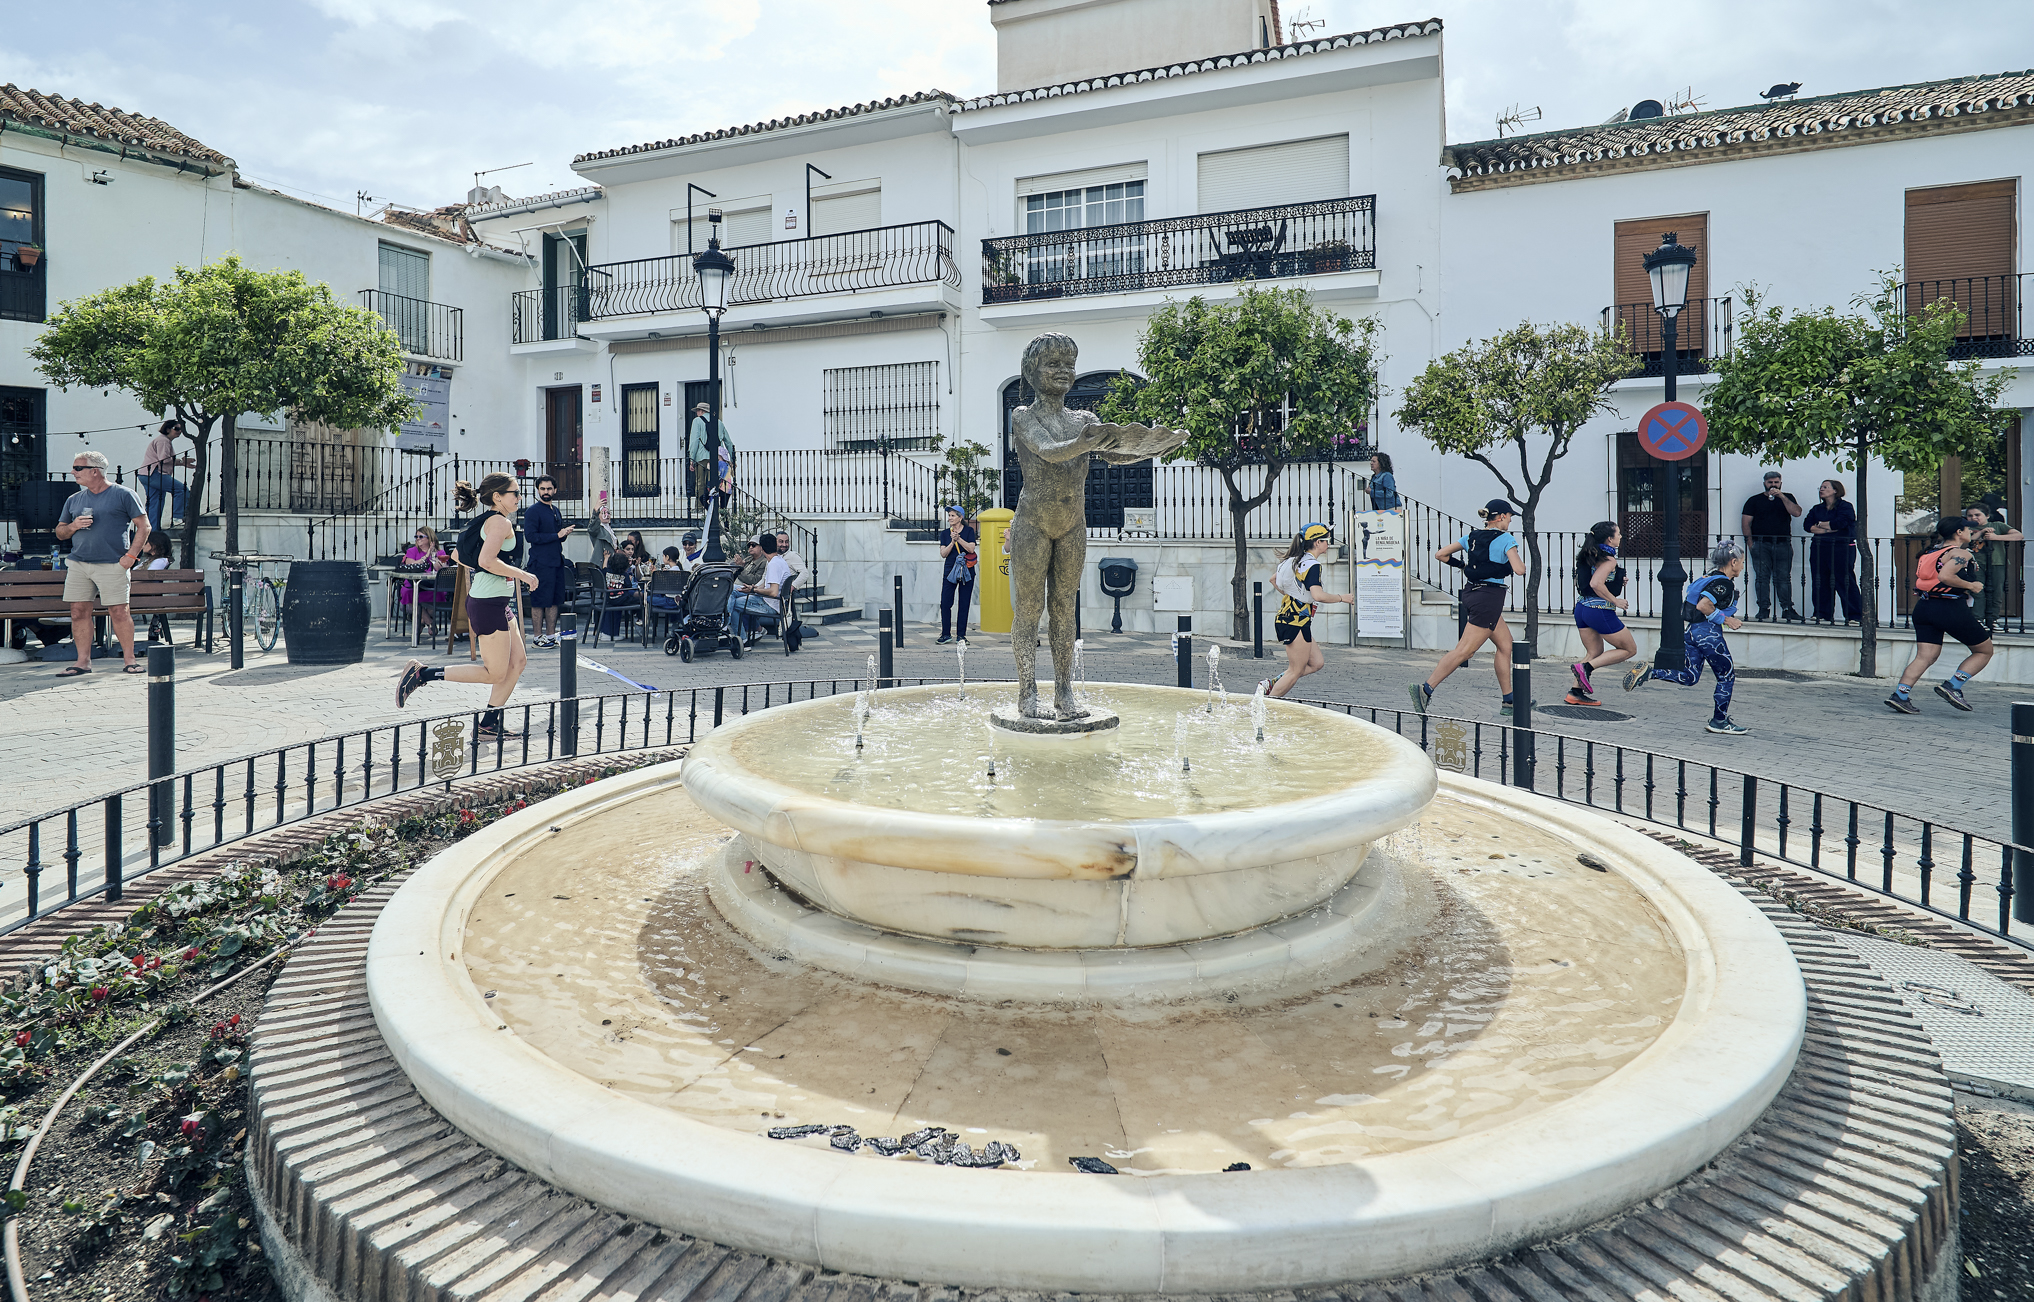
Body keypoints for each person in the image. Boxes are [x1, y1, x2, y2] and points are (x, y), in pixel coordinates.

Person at [397, 475, 537, 739]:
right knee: (494, 673)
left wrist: (491, 571)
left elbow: (457, 555)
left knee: (518, 661)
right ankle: (423, 673)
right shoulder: (500, 522)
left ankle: (488, 725)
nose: (519, 497)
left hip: (494, 601)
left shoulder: (482, 521)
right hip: (488, 603)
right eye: (515, 493)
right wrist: (522, 575)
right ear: (497, 497)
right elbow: (486, 560)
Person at [1409, 500, 1525, 717]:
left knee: (1505, 645)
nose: (1510, 521)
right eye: (1510, 517)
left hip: (1473, 593)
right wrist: (1515, 559)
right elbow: (1519, 570)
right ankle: (1425, 689)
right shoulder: (1506, 539)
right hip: (1489, 598)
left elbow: (1440, 555)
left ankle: (1509, 700)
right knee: (1465, 650)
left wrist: (1463, 566)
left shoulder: (1472, 536)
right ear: (1501, 516)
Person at [1624, 540, 1748, 735]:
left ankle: (1650, 673)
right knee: (1726, 676)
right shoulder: (1723, 583)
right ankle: (1719, 720)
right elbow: (1703, 606)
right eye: (1742, 562)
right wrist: (1727, 620)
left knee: (1690, 677)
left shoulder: (1709, 577)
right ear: (1733, 562)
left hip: (1692, 632)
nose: (1742, 566)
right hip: (1708, 634)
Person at [53, 450, 149, 677]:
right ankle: (82, 662)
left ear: (94, 471)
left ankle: (130, 661)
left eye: (78, 468)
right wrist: (74, 526)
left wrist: (131, 557)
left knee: (119, 611)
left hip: (112, 564)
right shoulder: (74, 499)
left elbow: (144, 526)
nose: (73, 472)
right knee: (78, 612)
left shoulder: (124, 494)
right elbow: (60, 532)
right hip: (79, 564)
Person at [1886, 516, 1993, 714]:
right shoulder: (1960, 553)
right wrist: (1971, 586)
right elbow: (1945, 576)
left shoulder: (1931, 551)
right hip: (1949, 608)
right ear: (1959, 532)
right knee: (1984, 651)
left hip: (1924, 607)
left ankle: (1900, 696)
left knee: (1925, 656)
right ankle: (1953, 686)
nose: (1970, 532)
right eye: (1967, 529)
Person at [1263, 523, 1353, 699]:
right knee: (1295, 671)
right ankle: (1267, 705)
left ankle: (1272, 684)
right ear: (1317, 542)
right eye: (1327, 540)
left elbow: (1273, 580)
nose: (1328, 543)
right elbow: (1318, 595)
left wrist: (1295, 596)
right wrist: (1342, 597)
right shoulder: (1312, 565)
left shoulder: (1292, 561)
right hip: (1296, 621)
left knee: (1316, 663)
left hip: (1292, 619)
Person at [1567, 521, 1636, 706]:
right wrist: (1616, 601)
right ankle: (1585, 668)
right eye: (1618, 533)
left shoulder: (1590, 554)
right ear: (1609, 539)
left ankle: (1575, 692)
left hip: (1582, 609)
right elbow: (1596, 583)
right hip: (1599, 611)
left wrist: (1616, 580)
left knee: (1595, 651)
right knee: (1629, 649)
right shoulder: (1608, 559)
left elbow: (1593, 579)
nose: (1621, 536)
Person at [1740, 471, 1804, 623]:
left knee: (1783, 577)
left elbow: (1797, 512)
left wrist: (1782, 497)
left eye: (1776, 482)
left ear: (1781, 483)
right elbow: (1746, 523)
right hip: (1761, 544)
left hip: (1783, 544)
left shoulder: (1787, 497)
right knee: (1762, 578)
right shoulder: (1754, 500)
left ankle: (1787, 609)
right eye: (1770, 482)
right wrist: (1751, 544)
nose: (1773, 485)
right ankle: (1763, 609)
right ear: (1764, 483)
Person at [523, 475, 575, 648]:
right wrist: (557, 535)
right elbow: (531, 536)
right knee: (539, 600)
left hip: (556, 562)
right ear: (538, 490)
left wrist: (563, 534)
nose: (546, 492)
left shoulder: (555, 510)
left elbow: (556, 536)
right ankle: (537, 638)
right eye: (543, 489)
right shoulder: (533, 511)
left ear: (555, 490)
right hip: (540, 563)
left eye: (549, 489)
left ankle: (551, 636)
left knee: (554, 600)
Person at [1803, 479, 1863, 625]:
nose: (1821, 489)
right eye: (1821, 487)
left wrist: (1820, 524)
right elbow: (1807, 525)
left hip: (1841, 547)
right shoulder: (1817, 509)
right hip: (1820, 547)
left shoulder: (1845, 507)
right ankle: (1822, 613)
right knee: (1820, 579)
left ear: (1835, 490)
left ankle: (1854, 615)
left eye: (1825, 487)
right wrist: (1828, 528)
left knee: (1844, 580)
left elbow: (1841, 523)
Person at [1963, 504, 2022, 631]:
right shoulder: (1966, 528)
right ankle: (1978, 619)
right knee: (1978, 591)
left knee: (1997, 591)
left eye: (1977, 515)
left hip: (1997, 562)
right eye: (1970, 515)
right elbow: (1967, 540)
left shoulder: (1998, 526)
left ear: (1987, 516)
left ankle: (1993, 619)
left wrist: (1996, 537)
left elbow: (2018, 536)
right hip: (1976, 564)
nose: (1973, 518)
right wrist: (1982, 532)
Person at [729, 532, 789, 645]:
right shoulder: (778, 560)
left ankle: (741, 639)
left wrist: (753, 590)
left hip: (771, 604)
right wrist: (753, 587)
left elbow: (773, 592)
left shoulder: (774, 564)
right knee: (732, 589)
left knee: (735, 604)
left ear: (762, 548)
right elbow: (766, 584)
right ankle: (729, 626)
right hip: (771, 600)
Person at [137, 419, 194, 532]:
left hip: (146, 474)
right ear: (168, 429)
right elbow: (164, 459)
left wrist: (182, 463)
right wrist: (182, 462)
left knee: (155, 503)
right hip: (155, 474)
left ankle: (152, 532)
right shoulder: (164, 441)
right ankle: (178, 516)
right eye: (176, 428)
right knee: (181, 490)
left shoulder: (162, 440)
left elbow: (165, 460)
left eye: (181, 429)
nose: (179, 431)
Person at [936, 506, 977, 644]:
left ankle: (961, 635)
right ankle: (945, 634)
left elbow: (971, 548)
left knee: (964, 603)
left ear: (960, 517)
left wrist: (958, 539)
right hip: (950, 571)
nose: (950, 518)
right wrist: (952, 542)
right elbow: (943, 554)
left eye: (953, 515)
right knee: (945, 602)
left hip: (967, 571)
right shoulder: (945, 534)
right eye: (949, 515)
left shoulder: (969, 531)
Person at [688, 402, 733, 503]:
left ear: (701, 411)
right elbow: (728, 442)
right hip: (717, 457)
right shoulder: (719, 422)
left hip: (701, 457)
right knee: (714, 482)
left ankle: (700, 506)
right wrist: (732, 459)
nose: (697, 413)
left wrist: (692, 459)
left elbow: (694, 441)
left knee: (700, 482)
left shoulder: (697, 421)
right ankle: (714, 505)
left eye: (697, 411)